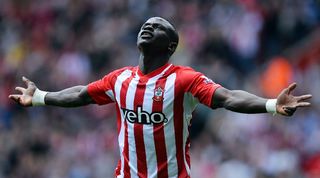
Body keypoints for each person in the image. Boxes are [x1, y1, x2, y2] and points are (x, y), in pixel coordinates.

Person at [9, 17, 312, 178]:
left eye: (158, 28)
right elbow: (81, 94)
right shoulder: (120, 79)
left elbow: (228, 97)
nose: (148, 27)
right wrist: (40, 97)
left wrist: (272, 105)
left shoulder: (183, 79)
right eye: (146, 25)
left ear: (170, 47)